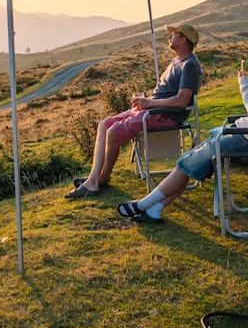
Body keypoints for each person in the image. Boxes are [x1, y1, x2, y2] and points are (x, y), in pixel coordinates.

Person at [115, 46, 248, 223]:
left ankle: (141, 205)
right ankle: (155, 210)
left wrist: (246, 87)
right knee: (193, 162)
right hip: (246, 135)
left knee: (185, 163)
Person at [64, 24, 203, 199]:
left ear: (183, 40)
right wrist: (147, 102)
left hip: (163, 115)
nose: (169, 37)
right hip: (153, 110)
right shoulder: (177, 60)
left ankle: (98, 180)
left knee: (113, 132)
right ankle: (96, 178)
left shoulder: (189, 65)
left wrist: (150, 102)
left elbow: (182, 101)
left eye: (173, 35)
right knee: (104, 125)